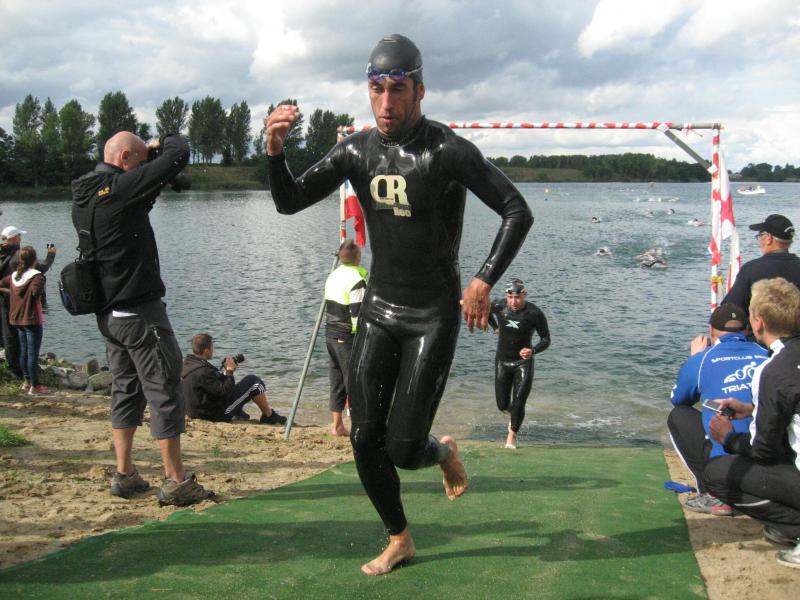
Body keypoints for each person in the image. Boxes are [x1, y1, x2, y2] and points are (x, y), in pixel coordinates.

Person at [265, 33, 532, 575]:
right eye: (377, 89)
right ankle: (399, 537)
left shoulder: (447, 150)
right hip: (379, 309)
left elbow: (516, 210)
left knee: (405, 448)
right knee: (365, 437)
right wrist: (273, 151)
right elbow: (289, 201)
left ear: (419, 91)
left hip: (432, 315)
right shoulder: (356, 150)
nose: (386, 103)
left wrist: (483, 280)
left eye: (398, 89)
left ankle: (442, 451)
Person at [70, 131, 213, 506]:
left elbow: (135, 206)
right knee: (165, 390)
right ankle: (176, 481)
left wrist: (147, 166)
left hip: (110, 316)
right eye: (139, 161)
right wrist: (161, 143)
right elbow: (179, 153)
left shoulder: (86, 196)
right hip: (139, 313)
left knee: (126, 389)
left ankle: (125, 474)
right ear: (125, 159)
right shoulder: (119, 189)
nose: (143, 167)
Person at [704, 278, 800, 569]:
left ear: (758, 323)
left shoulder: (772, 371)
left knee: (716, 473)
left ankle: (793, 526)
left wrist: (728, 438)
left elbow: (763, 452)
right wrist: (753, 409)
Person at [668, 303, 768, 515]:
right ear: (747, 329)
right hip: (767, 456)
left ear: (711, 331)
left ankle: (712, 493)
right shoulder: (768, 354)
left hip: (727, 463)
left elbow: (678, 400)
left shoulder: (703, 359)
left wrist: (694, 358)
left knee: (679, 415)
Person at [488, 279, 550, 449]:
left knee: (519, 401)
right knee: (502, 405)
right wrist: (495, 327)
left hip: (523, 363)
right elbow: (485, 310)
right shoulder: (499, 306)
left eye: (517, 297)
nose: (514, 301)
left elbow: (546, 339)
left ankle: (511, 437)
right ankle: (514, 414)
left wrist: (533, 350)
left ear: (524, 295)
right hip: (503, 361)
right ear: (506, 296)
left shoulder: (534, 313)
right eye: (510, 297)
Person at [181, 333, 286, 425]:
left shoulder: (188, 364)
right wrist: (230, 371)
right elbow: (225, 392)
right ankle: (268, 415)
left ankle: (238, 413)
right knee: (255, 383)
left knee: (236, 386)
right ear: (206, 351)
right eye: (212, 347)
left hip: (194, 412)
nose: (213, 350)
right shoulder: (204, 371)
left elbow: (212, 387)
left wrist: (226, 373)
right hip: (214, 415)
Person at [324, 239, 368, 437]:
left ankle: (337, 425)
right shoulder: (357, 279)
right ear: (357, 256)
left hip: (330, 334)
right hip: (346, 336)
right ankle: (360, 427)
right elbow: (357, 314)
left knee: (336, 380)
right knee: (354, 382)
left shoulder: (333, 275)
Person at [0, 226, 56, 379]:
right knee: (22, 338)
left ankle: (13, 367)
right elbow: (41, 268)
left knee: (7, 333)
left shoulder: (2, 253)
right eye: (19, 236)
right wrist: (51, 254)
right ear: (14, 238)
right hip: (18, 302)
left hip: (3, 299)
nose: (20, 238)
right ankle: (24, 373)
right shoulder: (18, 255)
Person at [722, 214, 800, 316]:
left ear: (768, 238)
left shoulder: (751, 269)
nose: (759, 240)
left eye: (760, 235)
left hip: (760, 326)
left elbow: (729, 310)